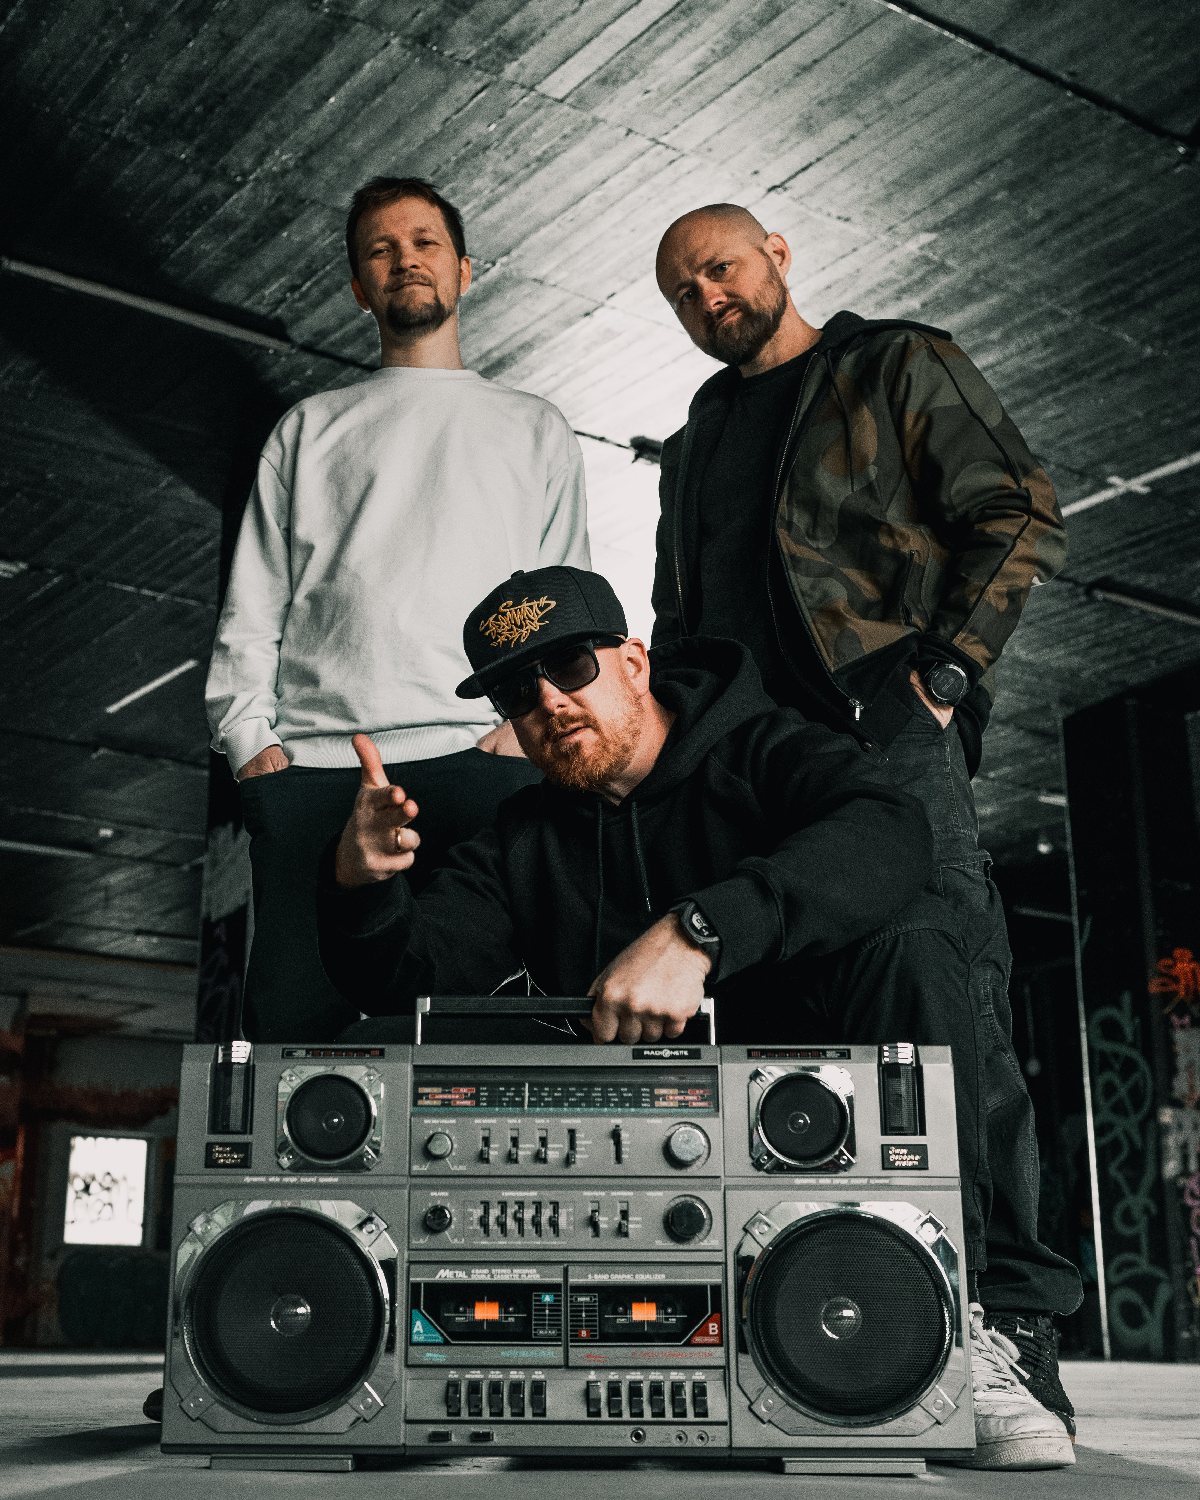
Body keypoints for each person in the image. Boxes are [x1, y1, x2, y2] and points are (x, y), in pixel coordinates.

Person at [316, 563, 1075, 1471]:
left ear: (635, 663)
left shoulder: (764, 749)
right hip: (647, 1169)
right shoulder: (523, 837)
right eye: (518, 693)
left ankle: (952, 1325)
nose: (548, 701)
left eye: (571, 667)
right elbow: (408, 975)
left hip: (804, 1133)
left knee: (913, 937)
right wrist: (362, 883)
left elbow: (889, 831)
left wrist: (699, 933)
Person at [650, 204, 1080, 1436]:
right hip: (753, 766)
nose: (709, 298)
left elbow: (1019, 511)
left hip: (888, 738)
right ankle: (815, 1321)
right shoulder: (694, 438)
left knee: (955, 1011)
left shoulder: (893, 361)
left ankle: (1013, 1321)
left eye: (721, 268)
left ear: (777, 256)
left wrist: (939, 677)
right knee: (775, 1025)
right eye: (683, 291)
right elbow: (683, 616)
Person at [205, 177, 589, 1043]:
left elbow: (564, 604)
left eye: (423, 243)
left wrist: (525, 731)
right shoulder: (308, 428)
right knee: (300, 1052)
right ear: (358, 287)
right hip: (318, 770)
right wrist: (253, 748)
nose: (404, 259)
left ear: (464, 269)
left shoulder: (534, 427)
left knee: (492, 1050)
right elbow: (254, 604)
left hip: (485, 763)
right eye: (380, 250)